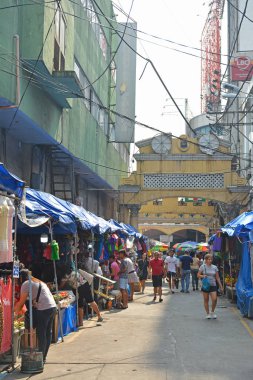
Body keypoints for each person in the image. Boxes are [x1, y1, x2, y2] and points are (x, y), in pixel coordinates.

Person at [14, 270, 57, 363]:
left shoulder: (26, 283)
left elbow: (21, 303)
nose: (17, 281)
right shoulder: (38, 281)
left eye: (18, 279)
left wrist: (14, 315)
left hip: (44, 309)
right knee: (47, 333)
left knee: (41, 333)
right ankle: (43, 356)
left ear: (21, 277)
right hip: (52, 307)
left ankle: (41, 358)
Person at [197, 253, 223, 319]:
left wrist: (220, 286)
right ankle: (208, 313)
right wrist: (203, 276)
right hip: (206, 285)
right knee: (206, 299)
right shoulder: (203, 266)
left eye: (211, 259)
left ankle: (212, 312)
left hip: (213, 285)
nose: (210, 260)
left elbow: (217, 277)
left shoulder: (215, 267)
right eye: (209, 259)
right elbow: (198, 275)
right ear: (205, 260)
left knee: (214, 299)